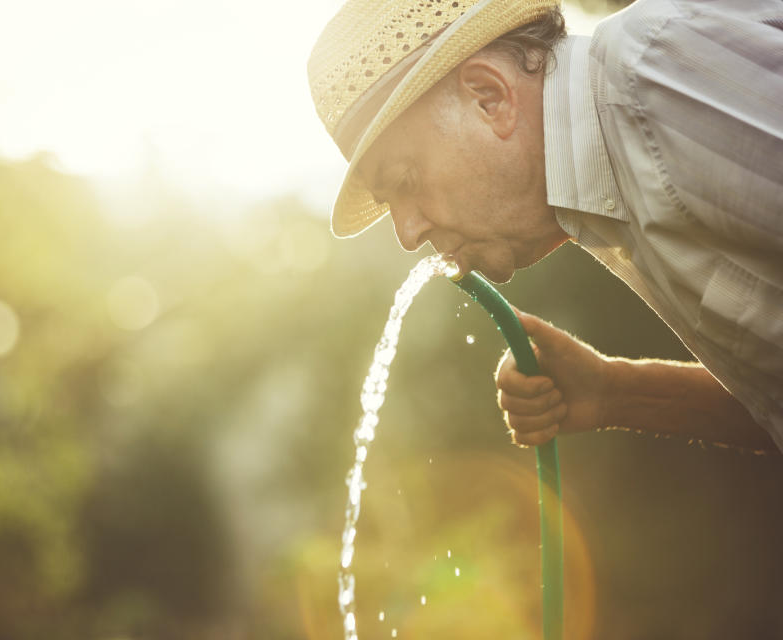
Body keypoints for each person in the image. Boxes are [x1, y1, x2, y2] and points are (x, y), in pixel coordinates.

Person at [307, 0, 783, 452]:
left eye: (404, 181)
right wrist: (617, 392)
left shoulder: (655, 82)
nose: (407, 234)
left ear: (489, 98)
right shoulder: (610, 181)